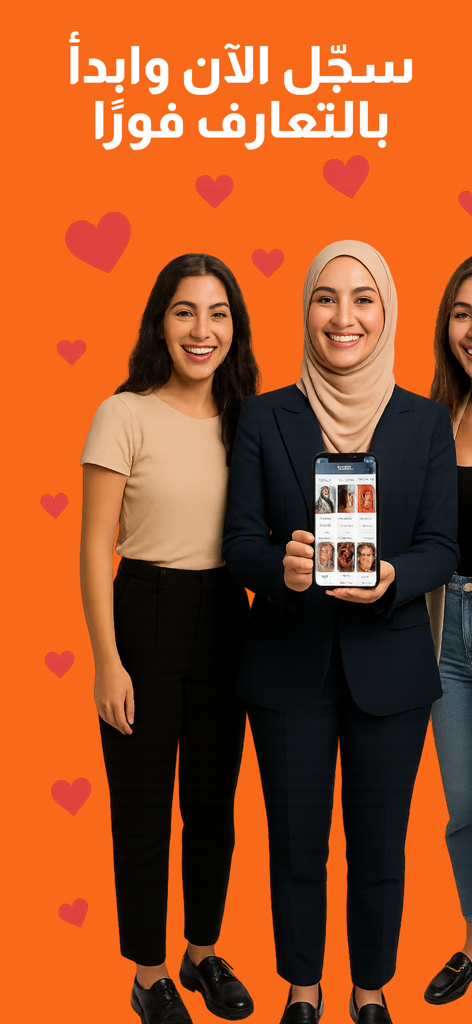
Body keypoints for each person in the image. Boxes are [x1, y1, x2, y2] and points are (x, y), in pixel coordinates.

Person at [223, 240, 458, 1024]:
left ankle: (369, 991)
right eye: (327, 297)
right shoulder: (264, 415)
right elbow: (240, 541)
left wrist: (393, 578)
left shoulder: (424, 422)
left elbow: (439, 546)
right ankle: (302, 990)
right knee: (295, 847)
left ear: (386, 313)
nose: (344, 315)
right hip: (288, 664)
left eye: (363, 298)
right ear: (306, 312)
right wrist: (278, 573)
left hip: (390, 667)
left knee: (380, 852)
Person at [80, 253, 258, 1024]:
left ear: (235, 329)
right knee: (144, 807)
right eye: (186, 311)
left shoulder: (250, 418)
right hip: (144, 614)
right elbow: (94, 546)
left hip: (228, 616)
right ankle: (149, 972)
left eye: (218, 313)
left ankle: (201, 952)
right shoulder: (124, 413)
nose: (202, 329)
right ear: (161, 320)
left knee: (214, 807)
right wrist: (107, 662)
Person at [424, 255, 472, 1007]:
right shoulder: (438, 414)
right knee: (464, 804)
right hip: (441, 629)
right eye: (463, 312)